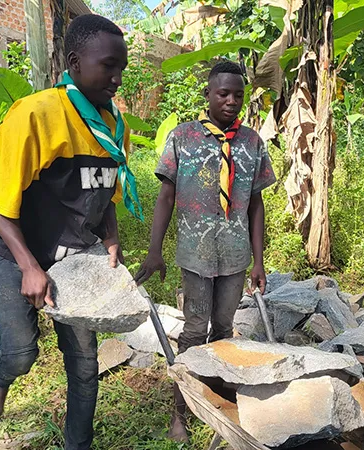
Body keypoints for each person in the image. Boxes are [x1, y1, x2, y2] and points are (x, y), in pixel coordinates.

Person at [0, 14, 141, 449]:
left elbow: (105, 193)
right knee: (20, 353)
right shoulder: (34, 115)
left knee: (84, 363)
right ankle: (0, 376)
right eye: (108, 65)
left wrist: (110, 235)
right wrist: (30, 267)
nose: (117, 78)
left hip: (76, 256)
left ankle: (78, 444)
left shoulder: (113, 126)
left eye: (121, 67)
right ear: (74, 60)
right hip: (21, 254)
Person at [133, 61, 276, 441]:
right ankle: (180, 409)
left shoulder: (252, 142)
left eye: (238, 95)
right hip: (195, 255)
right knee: (195, 329)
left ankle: (218, 394)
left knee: (225, 328)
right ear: (208, 96)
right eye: (223, 94)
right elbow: (166, 195)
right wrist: (154, 251)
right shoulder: (183, 137)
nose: (231, 101)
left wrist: (259, 260)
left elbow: (257, 204)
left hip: (234, 254)